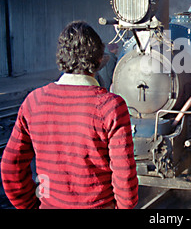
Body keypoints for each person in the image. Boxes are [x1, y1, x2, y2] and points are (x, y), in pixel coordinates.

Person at [1, 20, 138, 209]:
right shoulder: (111, 106)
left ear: (61, 58)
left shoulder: (33, 102)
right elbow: (124, 176)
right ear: (99, 60)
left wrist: (31, 205)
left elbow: (11, 167)